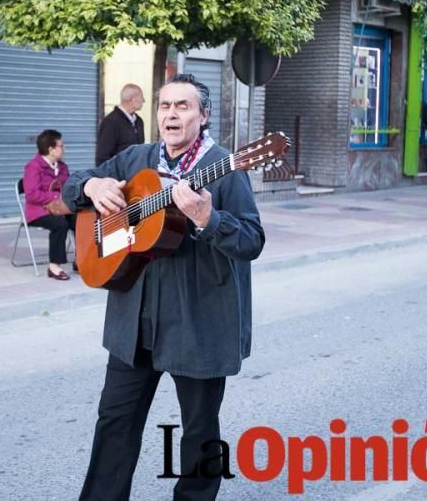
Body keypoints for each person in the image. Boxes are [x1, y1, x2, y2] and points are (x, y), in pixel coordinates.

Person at [64, 73, 264, 501]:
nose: (171, 114)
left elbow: (251, 241)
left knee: (199, 433)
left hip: (199, 323)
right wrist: (90, 184)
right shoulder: (135, 158)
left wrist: (211, 220)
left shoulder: (225, 169)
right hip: (134, 322)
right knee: (114, 422)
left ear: (203, 116)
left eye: (183, 106)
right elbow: (73, 187)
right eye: (165, 106)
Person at [23, 129, 75, 280]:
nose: (64, 149)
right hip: (38, 211)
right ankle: (54, 266)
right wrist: (56, 196)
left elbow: (69, 186)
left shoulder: (62, 166)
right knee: (60, 224)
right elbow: (32, 195)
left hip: (60, 208)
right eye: (61, 146)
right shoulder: (33, 167)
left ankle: (81, 259)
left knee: (81, 219)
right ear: (51, 149)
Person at [96, 83, 145, 165]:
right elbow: (102, 158)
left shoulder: (139, 121)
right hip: (117, 176)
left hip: (136, 174)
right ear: (132, 99)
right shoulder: (111, 122)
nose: (144, 101)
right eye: (141, 97)